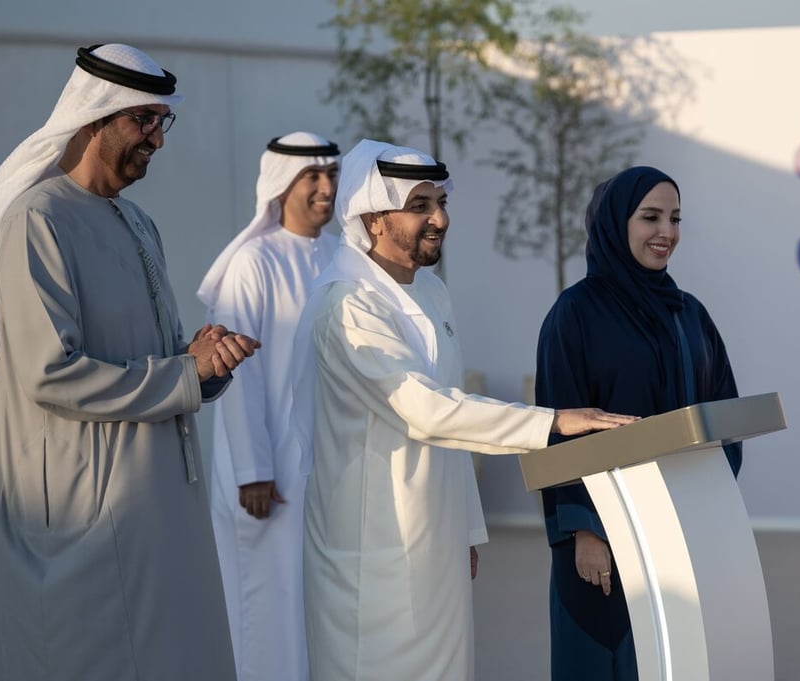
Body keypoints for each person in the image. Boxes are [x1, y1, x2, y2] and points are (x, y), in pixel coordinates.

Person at [292, 139, 637, 681]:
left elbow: (452, 419)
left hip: (439, 543)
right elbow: (428, 411)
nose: (440, 218)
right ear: (374, 218)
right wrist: (552, 421)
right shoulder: (348, 305)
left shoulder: (430, 290)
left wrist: (467, 530)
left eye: (441, 203)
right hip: (373, 549)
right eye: (420, 206)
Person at [0, 43, 260, 681]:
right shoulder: (37, 220)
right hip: (86, 514)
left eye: (161, 123)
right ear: (95, 118)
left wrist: (208, 361)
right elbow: (48, 373)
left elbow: (166, 360)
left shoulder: (138, 224)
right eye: (143, 121)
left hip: (162, 508)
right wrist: (183, 372)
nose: (157, 141)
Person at [535, 166, 743, 681]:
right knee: (605, 658)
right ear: (613, 223)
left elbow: (723, 413)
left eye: (674, 219)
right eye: (650, 217)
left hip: (680, 524)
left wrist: (707, 500)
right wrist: (583, 528)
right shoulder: (575, 313)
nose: (666, 232)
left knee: (676, 658)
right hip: (607, 529)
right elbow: (558, 424)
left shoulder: (689, 315)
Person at [197, 131, 341, 681]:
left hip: (322, 468)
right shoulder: (253, 264)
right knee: (264, 609)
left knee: (313, 607)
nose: (325, 186)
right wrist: (254, 470)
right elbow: (237, 374)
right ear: (283, 184)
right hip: (265, 476)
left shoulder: (337, 257)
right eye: (313, 176)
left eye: (331, 173)